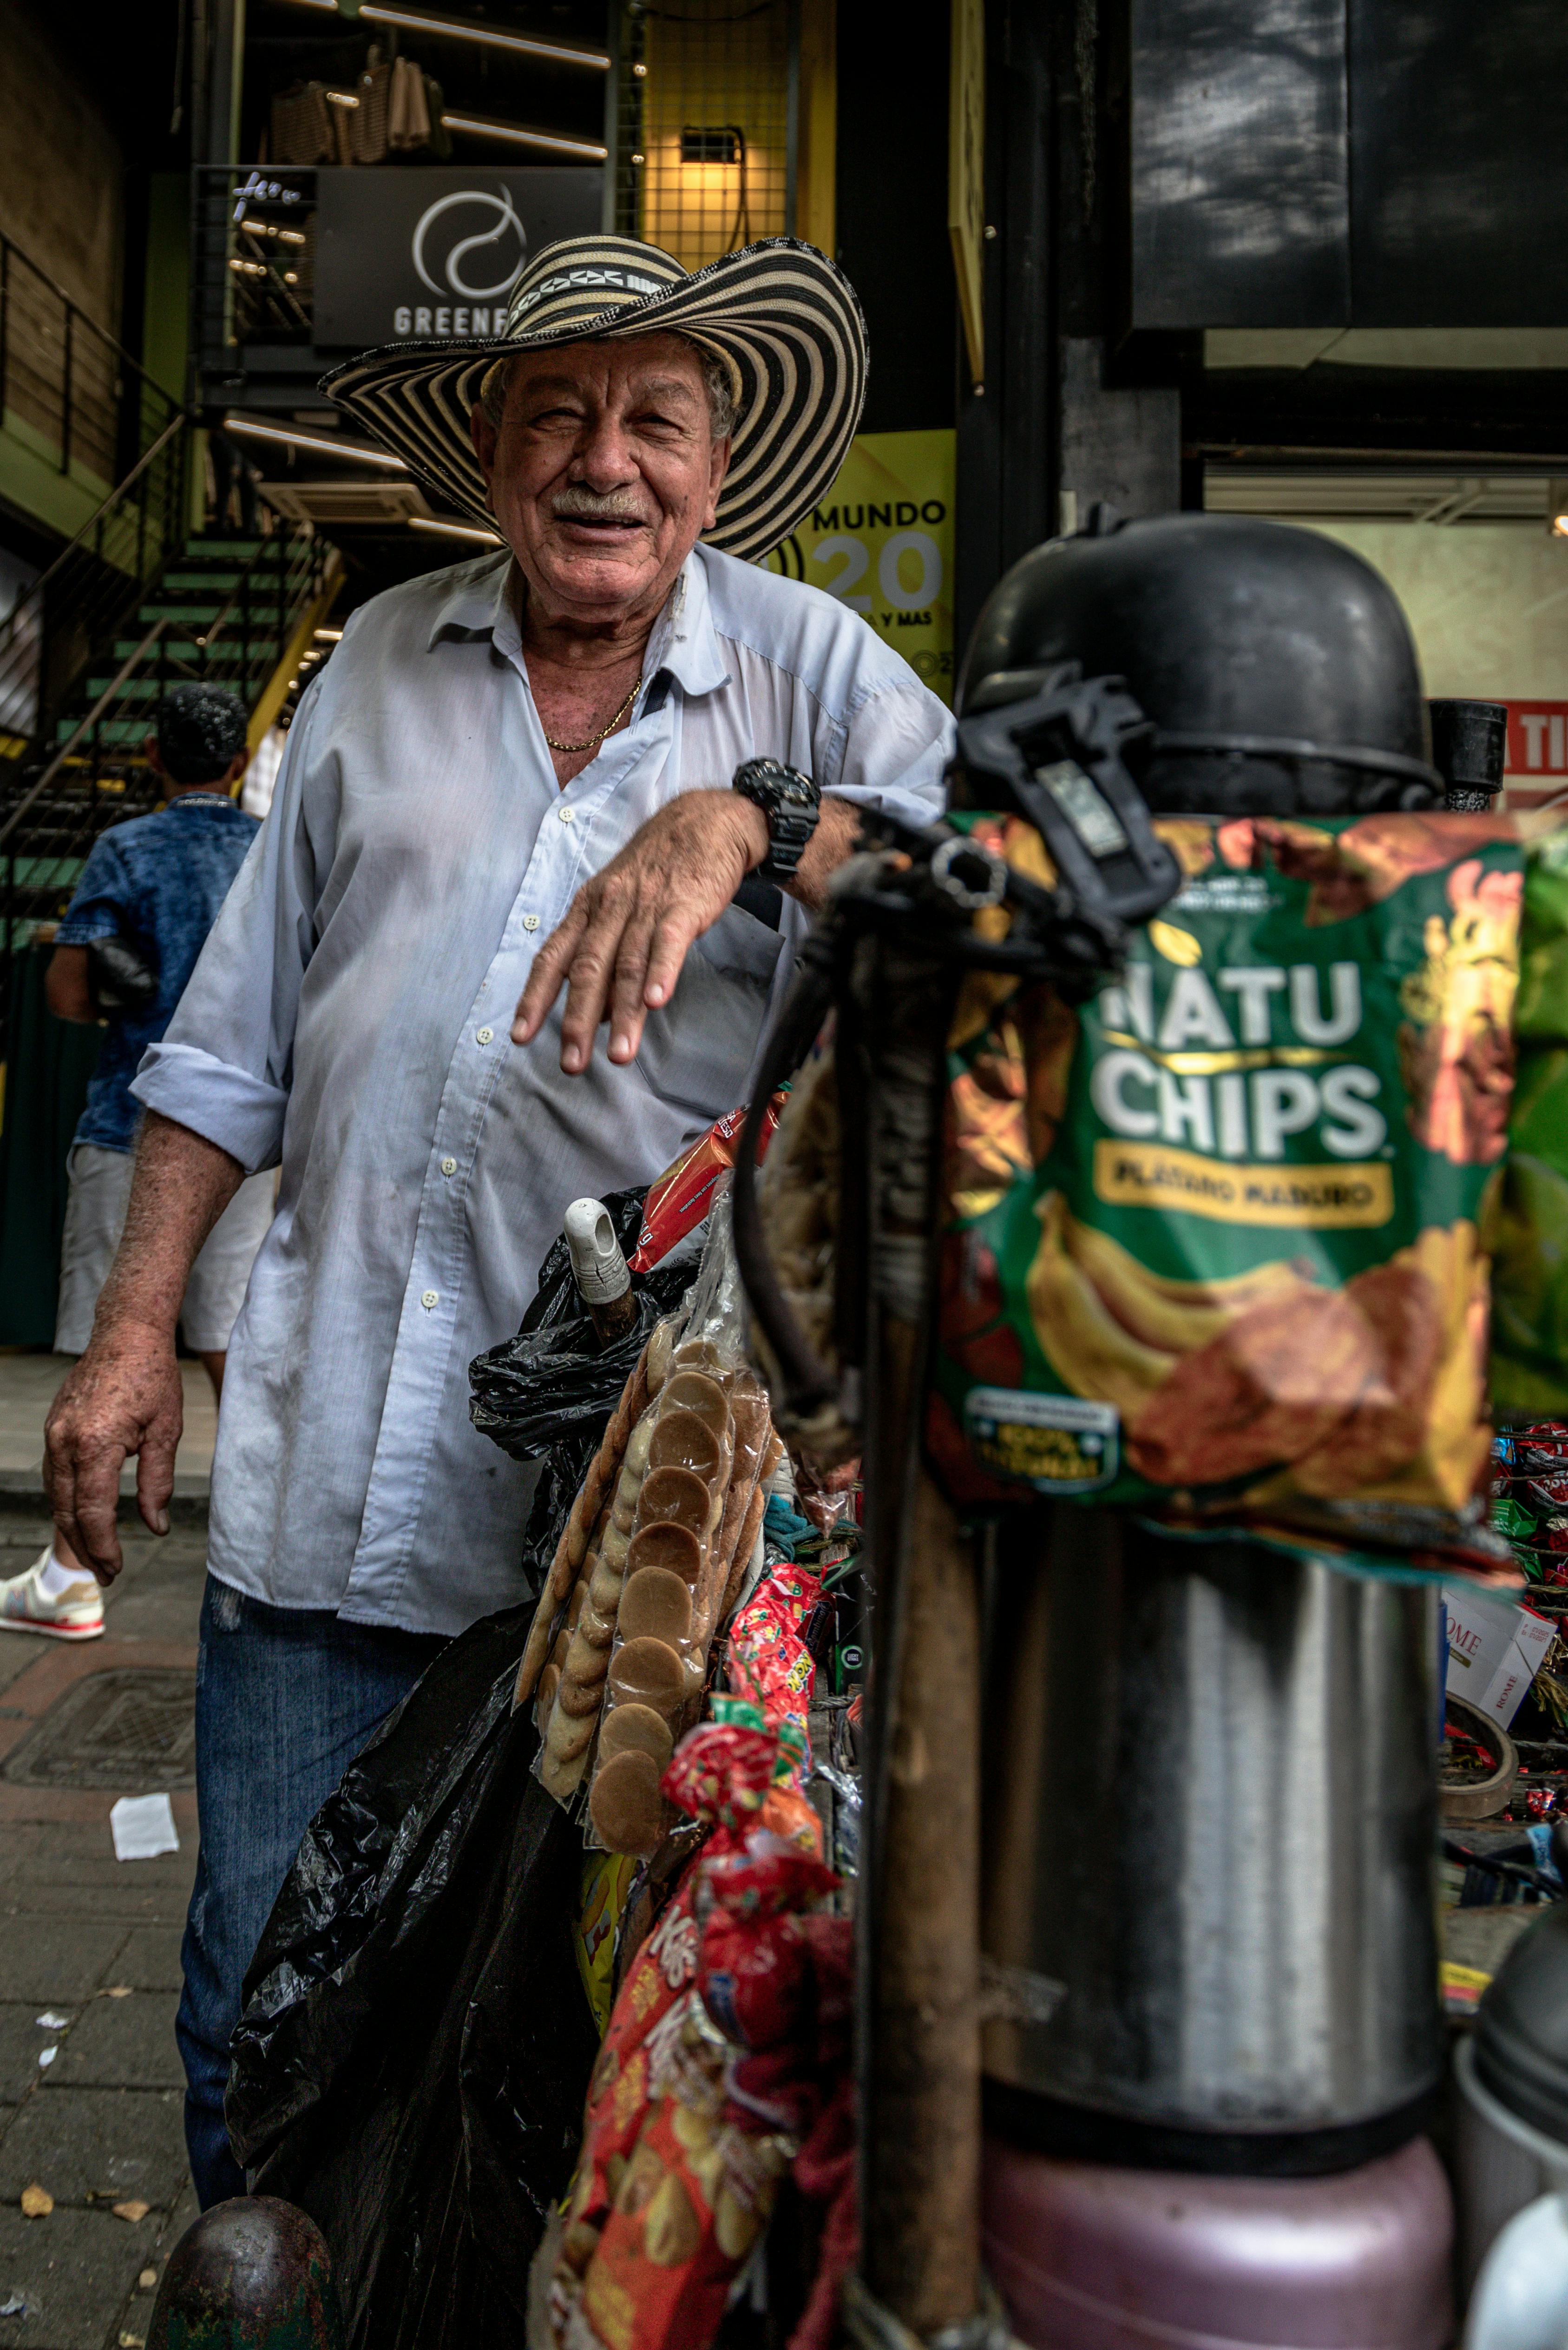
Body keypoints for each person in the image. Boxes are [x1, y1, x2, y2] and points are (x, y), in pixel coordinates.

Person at [41, 232, 951, 2205]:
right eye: (558, 413)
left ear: (716, 467)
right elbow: (230, 1042)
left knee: (573, 2050)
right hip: (325, 1490)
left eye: (654, 421)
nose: (604, 460)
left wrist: (753, 820)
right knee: (254, 2007)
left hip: (639, 1543)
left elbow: (995, 900)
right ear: (489, 446)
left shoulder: (810, 670)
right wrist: (126, 1335)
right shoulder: (376, 660)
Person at [1, 686, 274, 1645]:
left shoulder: (127, 847)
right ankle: (264, 1553)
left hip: (136, 1125)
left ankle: (71, 1577)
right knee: (231, 1345)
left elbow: (71, 995)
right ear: (238, 765)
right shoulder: (268, 850)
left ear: (154, 757)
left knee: (110, 1350)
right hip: (248, 1136)